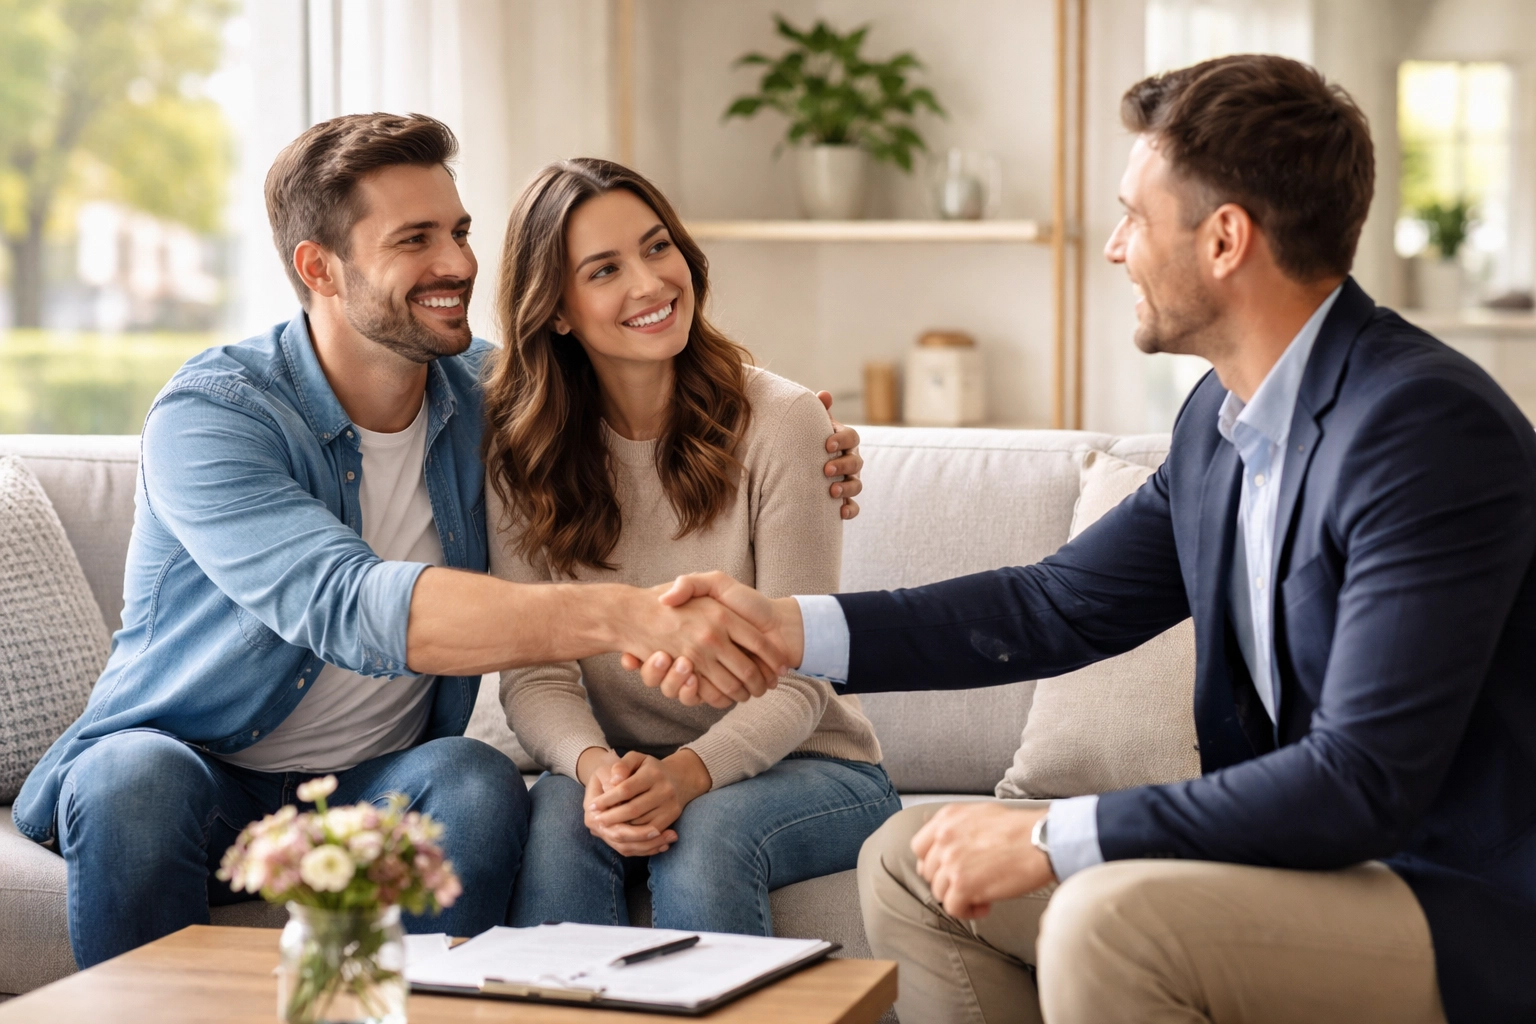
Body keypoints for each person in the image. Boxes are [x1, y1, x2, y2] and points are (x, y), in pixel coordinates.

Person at [636, 56, 1536, 1024]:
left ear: (1226, 239)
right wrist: (786, 629)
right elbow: (1052, 603)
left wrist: (1060, 834)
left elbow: (1361, 780)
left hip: (1461, 900)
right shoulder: (1222, 426)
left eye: (1135, 217)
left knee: (1107, 917)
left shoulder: (1422, 427)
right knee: (911, 859)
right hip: (1320, 865)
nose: (1114, 247)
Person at [14, 114, 861, 968]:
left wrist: (806, 442)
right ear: (319, 267)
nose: (457, 263)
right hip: (194, 777)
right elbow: (348, 604)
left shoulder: (494, 400)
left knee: (474, 778)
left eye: (457, 231)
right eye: (415, 240)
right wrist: (628, 617)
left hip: (377, 786)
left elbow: (635, 399)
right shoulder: (215, 416)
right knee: (135, 780)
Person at [481, 158, 900, 935]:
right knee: (557, 825)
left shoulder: (785, 422)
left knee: (707, 837)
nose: (649, 283)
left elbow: (802, 674)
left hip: (813, 765)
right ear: (558, 310)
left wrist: (686, 775)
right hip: (619, 763)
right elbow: (534, 669)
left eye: (657, 246)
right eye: (605, 269)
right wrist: (598, 773)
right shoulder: (518, 450)